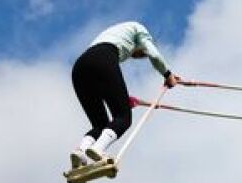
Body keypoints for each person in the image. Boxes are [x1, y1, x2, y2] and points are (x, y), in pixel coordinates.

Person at [68, 21, 183, 170]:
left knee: (100, 125)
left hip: (80, 67)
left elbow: (102, 83)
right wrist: (167, 74)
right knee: (123, 118)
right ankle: (98, 149)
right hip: (102, 58)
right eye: (139, 54)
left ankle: (80, 151)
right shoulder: (139, 29)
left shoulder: (112, 33)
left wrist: (122, 98)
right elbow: (153, 53)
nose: (135, 56)